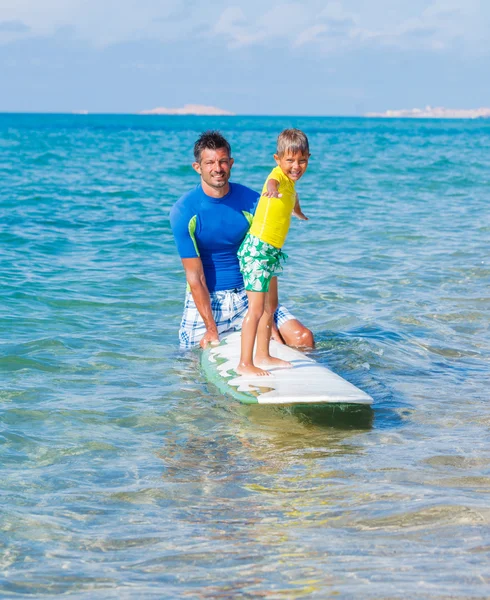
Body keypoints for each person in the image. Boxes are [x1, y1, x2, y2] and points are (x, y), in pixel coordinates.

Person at [170, 130, 314, 350]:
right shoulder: (184, 211)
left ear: (231, 163)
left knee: (302, 339)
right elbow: (195, 276)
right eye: (209, 163)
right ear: (197, 167)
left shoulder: (253, 201)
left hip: (250, 295)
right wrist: (211, 327)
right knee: (189, 366)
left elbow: (266, 255)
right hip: (208, 301)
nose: (217, 169)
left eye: (223, 162)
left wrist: (269, 318)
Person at [237, 129, 310, 376]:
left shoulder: (290, 186)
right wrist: (270, 188)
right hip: (258, 249)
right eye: (290, 160)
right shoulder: (277, 177)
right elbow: (274, 182)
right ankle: (245, 363)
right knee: (256, 309)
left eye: (302, 160)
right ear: (277, 160)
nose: (296, 166)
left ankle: (263, 355)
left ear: (308, 158)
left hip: (272, 253)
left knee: (271, 306)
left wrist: (297, 212)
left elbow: (293, 197)